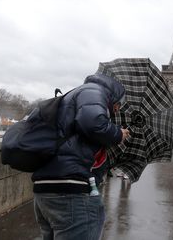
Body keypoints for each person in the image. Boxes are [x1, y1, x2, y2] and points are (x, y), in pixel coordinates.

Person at [32, 73, 130, 240]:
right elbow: (92, 123)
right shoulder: (94, 91)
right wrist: (117, 134)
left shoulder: (73, 96)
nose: (117, 109)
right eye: (119, 105)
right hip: (72, 191)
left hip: (46, 188)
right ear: (115, 97)